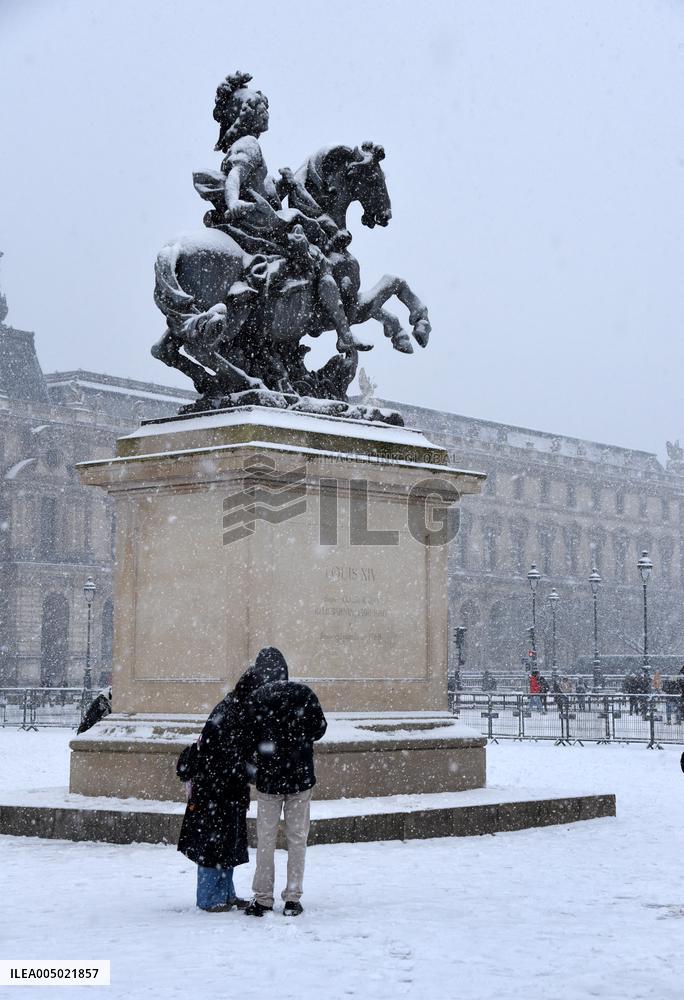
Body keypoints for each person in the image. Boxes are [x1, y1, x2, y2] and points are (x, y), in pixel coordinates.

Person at [176, 657, 282, 913]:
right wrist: (254, 771)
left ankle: (225, 894)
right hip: (215, 790)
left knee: (225, 843)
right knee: (213, 845)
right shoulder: (233, 713)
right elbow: (226, 757)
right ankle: (209, 899)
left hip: (225, 790)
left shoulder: (237, 708)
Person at [243, 646, 327, 917]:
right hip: (300, 778)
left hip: (269, 781)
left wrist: (264, 755)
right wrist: (298, 742)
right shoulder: (303, 694)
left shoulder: (257, 698)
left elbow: (248, 739)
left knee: (265, 840)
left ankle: (263, 898)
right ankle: (293, 897)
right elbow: (319, 729)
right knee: (297, 839)